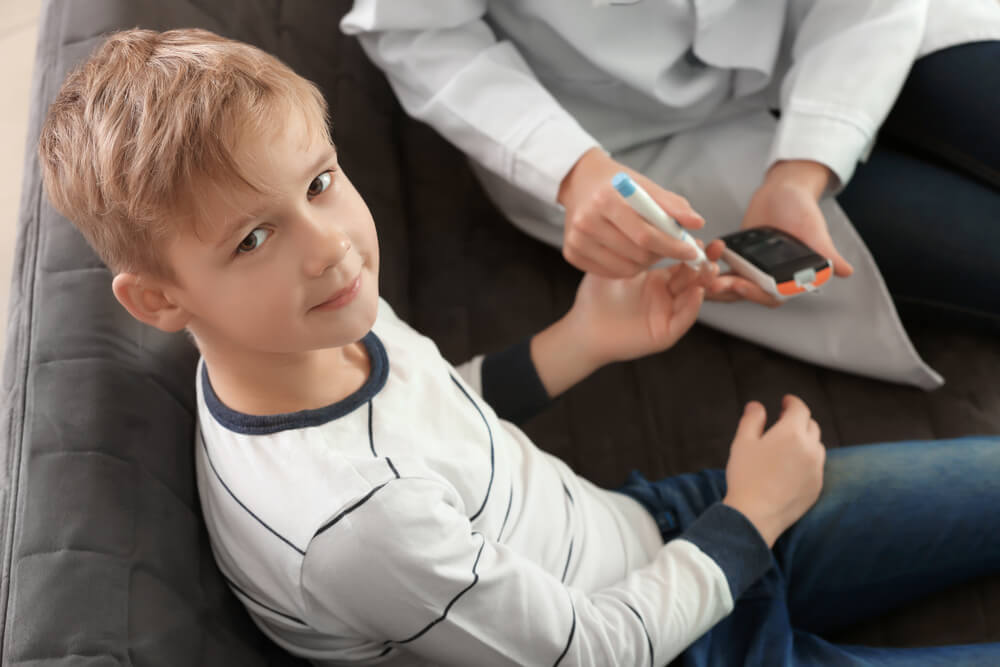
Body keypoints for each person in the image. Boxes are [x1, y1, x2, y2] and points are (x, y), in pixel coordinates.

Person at [37, 27, 1000, 666]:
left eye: (321, 183)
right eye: (253, 238)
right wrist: (750, 518)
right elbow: (590, 651)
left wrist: (584, 337)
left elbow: (429, 408)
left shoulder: (312, 321)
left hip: (663, 530)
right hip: (663, 634)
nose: (328, 244)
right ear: (159, 298)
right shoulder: (349, 526)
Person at [341, 0, 1000, 390]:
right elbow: (413, 26)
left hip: (854, 19)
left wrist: (803, 170)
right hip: (619, 134)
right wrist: (569, 169)